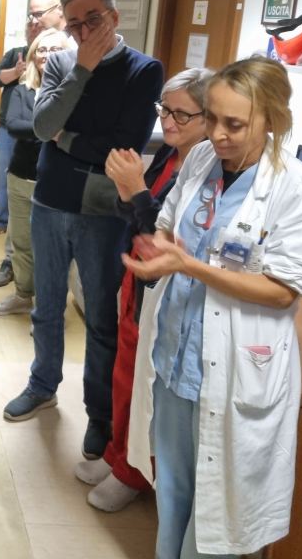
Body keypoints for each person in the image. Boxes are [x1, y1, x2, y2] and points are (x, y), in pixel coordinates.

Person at [124, 56, 302, 557]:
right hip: (175, 361)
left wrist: (189, 266)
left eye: (233, 124)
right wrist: (160, 248)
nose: (217, 134)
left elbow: (283, 289)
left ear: (272, 119)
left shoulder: (295, 186)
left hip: (236, 370)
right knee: (173, 495)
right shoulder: (201, 159)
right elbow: (170, 223)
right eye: (212, 118)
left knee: (215, 521)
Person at [3, 0, 163, 466]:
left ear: (114, 17)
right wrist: (83, 70)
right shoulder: (60, 63)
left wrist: (68, 140)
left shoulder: (143, 70)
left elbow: (124, 146)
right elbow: (42, 127)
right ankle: (42, 384)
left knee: (98, 317)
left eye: (93, 19)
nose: (83, 31)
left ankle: (99, 413)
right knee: (47, 305)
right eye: (74, 23)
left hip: (102, 212)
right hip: (51, 200)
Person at [73, 68, 212, 514]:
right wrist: (127, 190)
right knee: (125, 374)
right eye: (164, 110)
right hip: (139, 278)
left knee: (145, 384)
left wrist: (135, 191)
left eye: (181, 114)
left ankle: (133, 474)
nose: (168, 121)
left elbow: (165, 235)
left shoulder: (208, 171)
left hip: (166, 287)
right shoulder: (172, 155)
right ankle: (118, 455)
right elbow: (139, 215)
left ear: (209, 117)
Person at [0, 0, 66, 292]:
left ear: (58, 11)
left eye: (39, 13)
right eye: (31, 15)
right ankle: (12, 262)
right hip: (18, 144)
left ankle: (45, 291)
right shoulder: (19, 59)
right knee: (9, 185)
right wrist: (17, 71)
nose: (34, 20)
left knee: (50, 229)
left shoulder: (72, 65)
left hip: (57, 168)